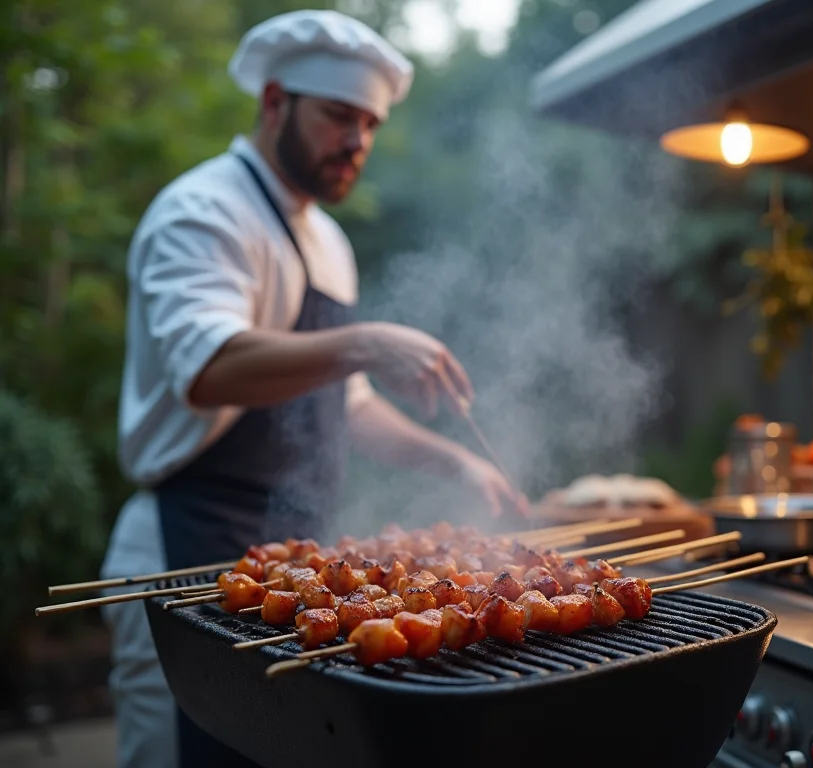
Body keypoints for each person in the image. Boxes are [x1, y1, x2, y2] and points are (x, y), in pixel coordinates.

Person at [98, 10, 527, 768]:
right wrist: (366, 341)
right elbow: (208, 369)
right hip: (185, 546)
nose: (357, 141)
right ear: (273, 102)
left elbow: (345, 404)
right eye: (338, 116)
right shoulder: (202, 213)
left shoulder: (327, 240)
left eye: (368, 123)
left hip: (295, 577)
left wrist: (452, 462)